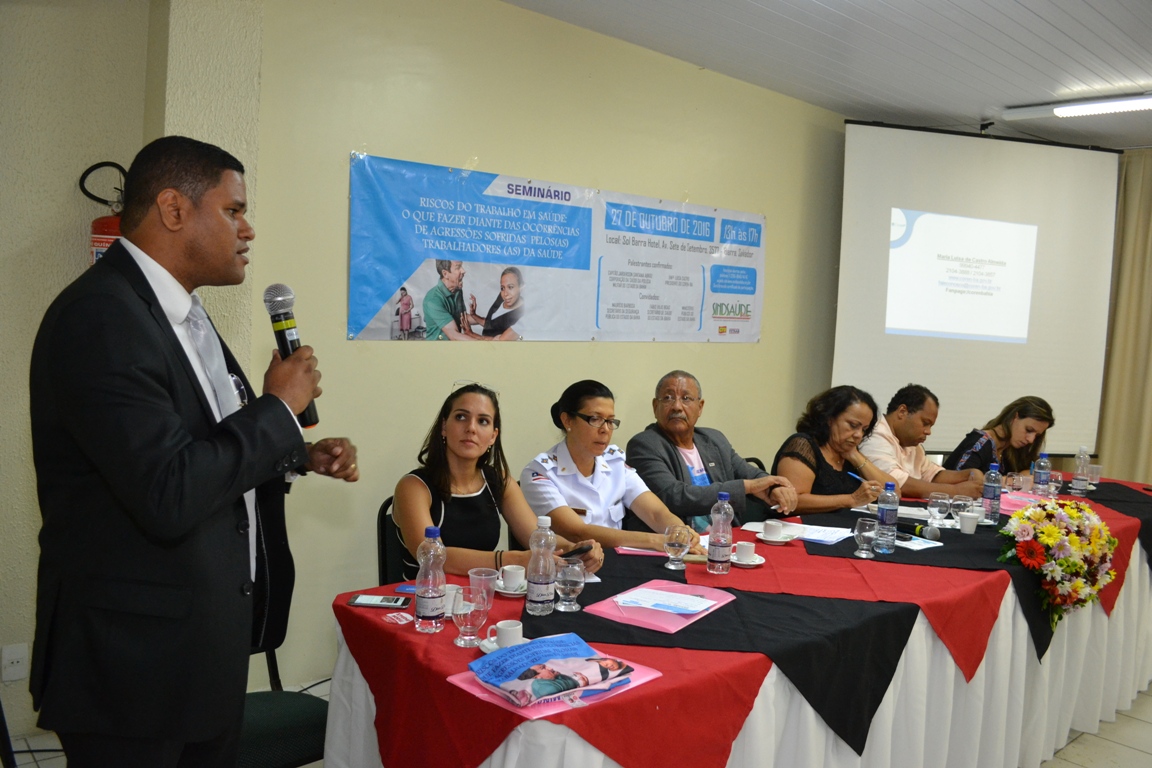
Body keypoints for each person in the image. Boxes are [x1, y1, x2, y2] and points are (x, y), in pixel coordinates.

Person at [28, 136, 360, 768]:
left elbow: (199, 445)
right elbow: (168, 489)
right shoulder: (102, 316)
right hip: (133, 671)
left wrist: (296, 451)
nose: (248, 229)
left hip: (198, 656)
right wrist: (278, 409)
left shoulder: (186, 315)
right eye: (233, 210)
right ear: (174, 209)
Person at [392, 382, 603, 579]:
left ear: (493, 436)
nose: (471, 428)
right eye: (461, 417)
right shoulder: (413, 486)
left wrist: (576, 549)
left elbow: (537, 538)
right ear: (444, 426)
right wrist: (512, 560)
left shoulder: (498, 480)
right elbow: (433, 556)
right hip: (425, 597)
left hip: (481, 594)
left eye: (483, 421)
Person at [521, 380, 704, 552]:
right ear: (567, 420)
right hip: (571, 567)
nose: (605, 430)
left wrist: (680, 532)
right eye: (595, 419)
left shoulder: (614, 461)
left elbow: (655, 512)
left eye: (610, 421)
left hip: (619, 562)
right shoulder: (540, 473)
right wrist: (658, 541)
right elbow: (577, 532)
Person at [626, 370, 797, 531]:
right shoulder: (644, 445)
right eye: (668, 398)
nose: (677, 406)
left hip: (725, 537)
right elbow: (675, 496)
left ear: (700, 407)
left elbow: (749, 473)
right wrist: (748, 486)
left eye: (686, 398)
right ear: (655, 406)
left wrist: (775, 488)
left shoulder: (714, 439)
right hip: (679, 542)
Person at [771, 385, 897, 513]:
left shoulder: (848, 451)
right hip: (800, 524)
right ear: (829, 418)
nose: (859, 435)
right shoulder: (802, 445)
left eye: (864, 429)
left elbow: (893, 493)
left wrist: (856, 457)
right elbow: (793, 501)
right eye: (853, 425)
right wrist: (851, 499)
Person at [859, 384, 984, 498]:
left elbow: (931, 474)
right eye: (925, 423)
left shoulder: (910, 443)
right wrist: (956, 491)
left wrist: (969, 474)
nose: (928, 432)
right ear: (902, 412)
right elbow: (896, 483)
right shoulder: (874, 434)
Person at [943, 396, 1055, 474]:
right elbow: (961, 481)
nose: (1031, 440)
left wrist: (1026, 474)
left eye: (1037, 435)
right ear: (1014, 417)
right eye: (1029, 430)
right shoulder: (981, 442)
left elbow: (1027, 472)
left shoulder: (1013, 447)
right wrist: (1009, 481)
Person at [423, 259, 478, 340]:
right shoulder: (433, 300)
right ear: (445, 274)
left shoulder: (457, 291)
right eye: (458, 267)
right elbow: (454, 335)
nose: (463, 271)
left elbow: (462, 318)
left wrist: (490, 321)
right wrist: (486, 344)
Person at [467, 266, 525, 340]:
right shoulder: (502, 298)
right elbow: (491, 324)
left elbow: (499, 341)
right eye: (502, 288)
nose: (505, 293)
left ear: (521, 287)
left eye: (510, 287)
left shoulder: (523, 317)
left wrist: (470, 333)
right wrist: (474, 315)